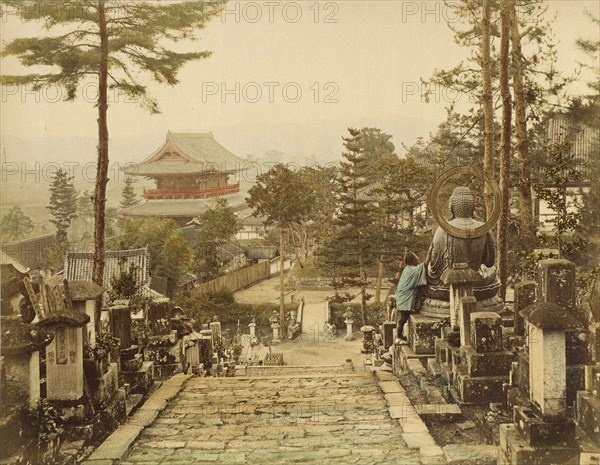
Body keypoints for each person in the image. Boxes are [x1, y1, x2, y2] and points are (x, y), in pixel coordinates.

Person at [395, 245, 433, 344]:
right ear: (413, 260)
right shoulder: (413, 270)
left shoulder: (407, 269)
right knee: (402, 319)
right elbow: (425, 264)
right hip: (405, 299)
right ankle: (398, 338)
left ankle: (400, 336)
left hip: (402, 296)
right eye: (416, 257)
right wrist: (429, 252)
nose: (418, 258)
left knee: (403, 318)